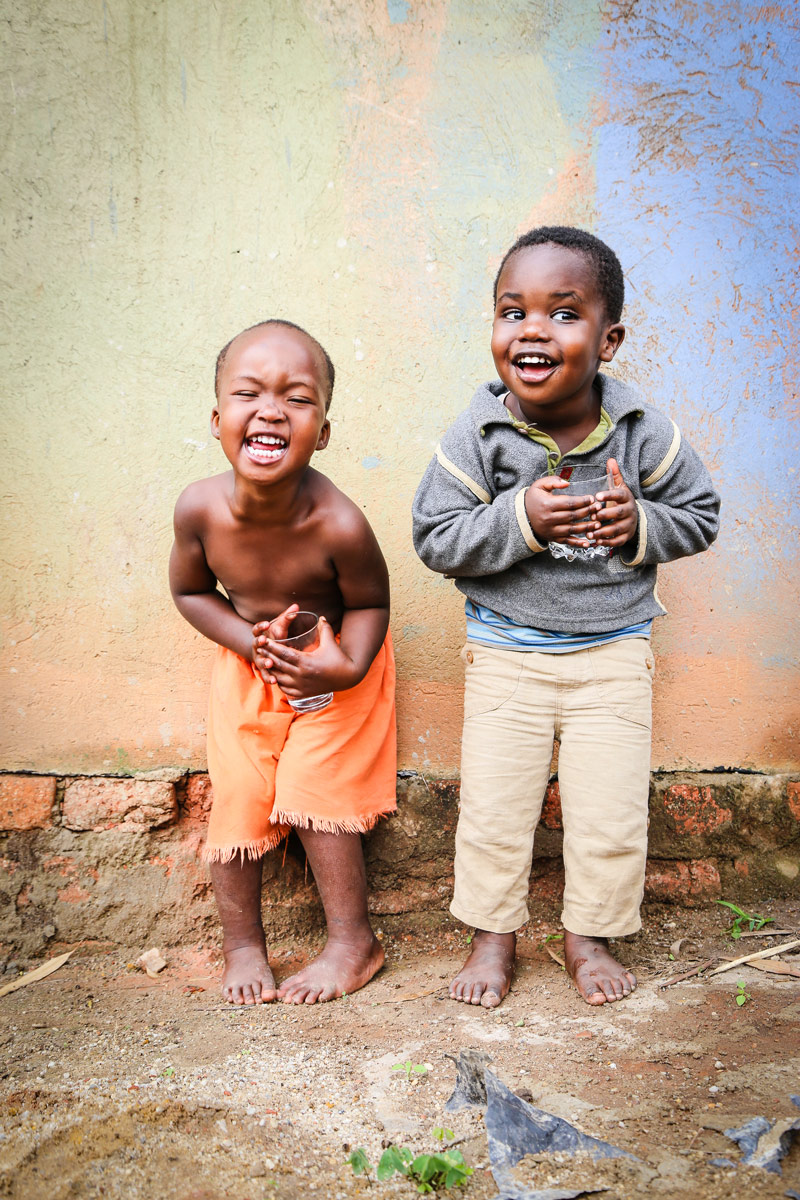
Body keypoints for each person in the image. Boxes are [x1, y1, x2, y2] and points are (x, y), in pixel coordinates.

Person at [412, 226, 720, 1008]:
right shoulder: (479, 434)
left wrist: (640, 524)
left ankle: (590, 935)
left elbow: (702, 514)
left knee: (610, 813)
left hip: (614, 654)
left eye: (564, 313)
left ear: (608, 339)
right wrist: (521, 519)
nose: (534, 331)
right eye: (513, 313)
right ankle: (493, 938)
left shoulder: (644, 431)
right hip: (506, 654)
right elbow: (435, 537)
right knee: (494, 811)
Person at [170, 319, 396, 1005]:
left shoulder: (340, 523)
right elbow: (188, 591)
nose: (270, 409)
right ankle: (243, 948)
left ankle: (354, 944)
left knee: (313, 785)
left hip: (335, 664)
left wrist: (344, 667)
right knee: (240, 795)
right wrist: (246, 642)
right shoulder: (200, 509)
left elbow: (372, 605)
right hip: (248, 659)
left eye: (297, 399)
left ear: (322, 431)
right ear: (217, 419)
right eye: (249, 394)